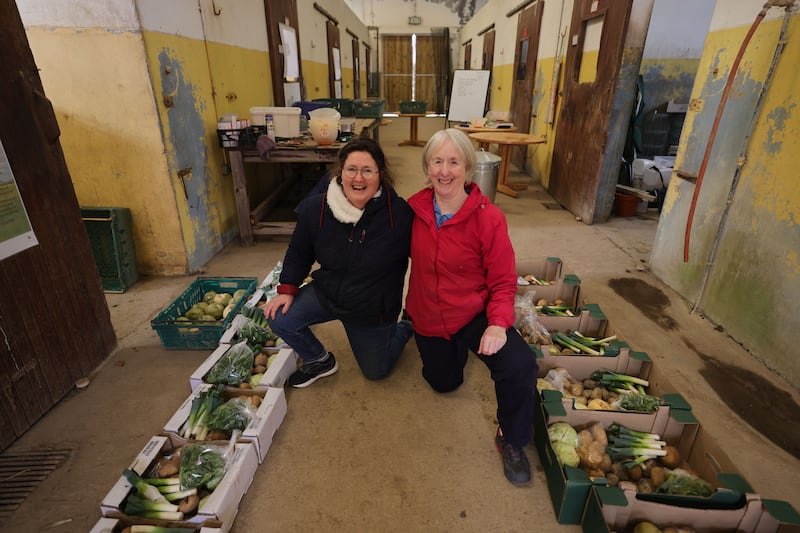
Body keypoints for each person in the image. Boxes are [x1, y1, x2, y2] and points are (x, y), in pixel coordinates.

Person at [404, 128, 538, 485]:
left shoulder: (488, 218)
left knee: (520, 364)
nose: (445, 171)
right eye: (437, 161)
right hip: (430, 315)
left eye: (454, 162)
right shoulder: (412, 211)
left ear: (468, 167)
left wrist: (497, 323)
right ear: (427, 167)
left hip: (473, 313)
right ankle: (447, 351)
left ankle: (511, 438)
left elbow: (504, 280)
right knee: (444, 384)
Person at [263, 137, 414, 388]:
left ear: (380, 175)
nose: (358, 178)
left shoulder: (398, 215)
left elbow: (426, 259)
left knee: (377, 372)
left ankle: (404, 327)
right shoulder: (316, 208)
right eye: (351, 169)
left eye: (368, 170)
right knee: (278, 316)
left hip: (371, 309)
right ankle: (319, 360)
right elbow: (299, 251)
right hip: (328, 293)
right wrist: (287, 288)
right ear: (340, 172)